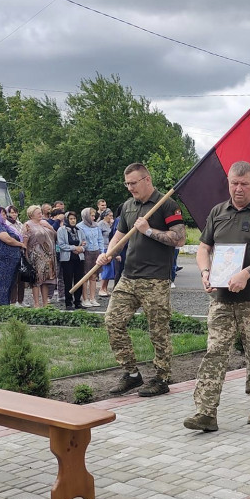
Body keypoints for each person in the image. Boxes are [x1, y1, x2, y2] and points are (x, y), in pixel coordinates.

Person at [185, 161, 250, 431]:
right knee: (215, 352)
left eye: (244, 184)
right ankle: (205, 412)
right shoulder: (218, 212)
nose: (238, 189)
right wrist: (205, 272)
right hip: (222, 299)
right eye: (234, 183)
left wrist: (245, 274)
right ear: (228, 182)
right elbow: (204, 248)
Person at [99, 163, 186, 397]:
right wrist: (107, 254)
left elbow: (179, 239)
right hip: (129, 276)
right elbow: (119, 237)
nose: (130, 188)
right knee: (112, 321)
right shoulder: (127, 206)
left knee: (158, 330)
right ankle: (131, 374)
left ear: (147, 179)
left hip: (155, 279)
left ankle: (161, 378)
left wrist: (148, 230)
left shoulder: (166, 204)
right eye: (127, 184)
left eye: (134, 183)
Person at [22, 204, 57, 308]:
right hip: (35, 256)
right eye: (38, 213)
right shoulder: (28, 225)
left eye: (41, 213)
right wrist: (25, 256)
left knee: (45, 280)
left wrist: (49, 227)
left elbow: (54, 235)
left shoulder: (44, 223)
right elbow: (25, 241)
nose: (41, 215)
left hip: (48, 255)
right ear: (31, 215)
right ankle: (36, 303)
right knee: (36, 280)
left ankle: (45, 302)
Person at [0, 206, 24, 306]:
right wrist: (20, 244)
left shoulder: (5, 225)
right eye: (2, 214)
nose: (5, 216)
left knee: (11, 284)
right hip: (3, 259)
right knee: (4, 284)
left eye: (5, 214)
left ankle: (8, 305)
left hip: (12, 259)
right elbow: (7, 239)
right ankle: (4, 307)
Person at [56, 211, 86, 310]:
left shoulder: (79, 230)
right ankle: (68, 302)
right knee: (68, 281)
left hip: (79, 258)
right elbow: (61, 244)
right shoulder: (61, 230)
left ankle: (78, 301)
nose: (73, 221)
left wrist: (81, 249)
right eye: (71, 219)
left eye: (74, 219)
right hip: (67, 259)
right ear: (66, 220)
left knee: (79, 280)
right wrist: (74, 248)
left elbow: (85, 243)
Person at [77, 208, 105, 307]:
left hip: (96, 252)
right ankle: (85, 299)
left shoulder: (96, 226)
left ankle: (93, 298)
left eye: (94, 216)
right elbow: (80, 240)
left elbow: (100, 239)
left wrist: (102, 252)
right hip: (86, 252)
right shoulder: (79, 227)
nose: (93, 218)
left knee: (94, 276)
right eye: (91, 216)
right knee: (85, 276)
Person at [5, 206, 28, 306]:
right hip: (12, 252)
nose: (14, 214)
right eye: (11, 212)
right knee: (13, 279)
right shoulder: (6, 224)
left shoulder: (19, 223)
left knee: (21, 278)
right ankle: (13, 301)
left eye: (15, 212)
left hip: (21, 252)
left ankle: (21, 300)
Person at [98, 209, 117, 297]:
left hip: (110, 247)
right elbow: (99, 236)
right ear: (105, 216)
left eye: (112, 216)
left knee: (110, 270)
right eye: (110, 216)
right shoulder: (100, 224)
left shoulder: (112, 224)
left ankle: (105, 288)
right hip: (104, 247)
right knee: (106, 269)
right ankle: (102, 288)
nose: (111, 218)